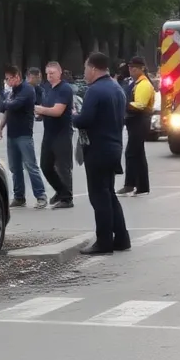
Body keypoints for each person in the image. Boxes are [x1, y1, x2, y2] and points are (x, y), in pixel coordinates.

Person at [72, 52, 130, 254]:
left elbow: (85, 120)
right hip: (114, 147)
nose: (84, 73)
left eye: (85, 68)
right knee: (109, 194)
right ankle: (121, 238)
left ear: (94, 68)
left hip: (97, 149)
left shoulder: (94, 91)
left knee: (99, 197)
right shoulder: (117, 88)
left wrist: (73, 117)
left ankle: (104, 242)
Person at [0, 64, 48, 209]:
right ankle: (19, 196)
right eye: (6, 79)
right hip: (12, 134)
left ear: (17, 77)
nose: (7, 82)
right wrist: (1, 127)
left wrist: (7, 103)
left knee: (31, 166)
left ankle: (41, 195)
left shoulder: (27, 89)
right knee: (15, 167)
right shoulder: (12, 91)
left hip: (24, 133)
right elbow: (3, 108)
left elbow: (14, 105)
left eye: (8, 79)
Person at [34, 61, 75, 209]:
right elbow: (47, 108)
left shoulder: (64, 89)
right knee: (45, 166)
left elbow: (57, 111)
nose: (49, 76)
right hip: (49, 133)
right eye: (47, 74)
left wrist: (39, 109)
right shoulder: (48, 88)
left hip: (62, 133)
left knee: (63, 167)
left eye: (52, 73)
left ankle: (67, 198)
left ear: (59, 72)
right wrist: (41, 114)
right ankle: (60, 190)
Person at [118, 56, 154, 197]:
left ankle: (130, 185)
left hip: (140, 120)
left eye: (134, 67)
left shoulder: (144, 84)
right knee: (138, 154)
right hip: (135, 121)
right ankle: (142, 187)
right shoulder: (135, 83)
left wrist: (123, 105)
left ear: (142, 68)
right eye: (130, 67)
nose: (131, 69)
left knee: (131, 153)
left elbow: (140, 105)